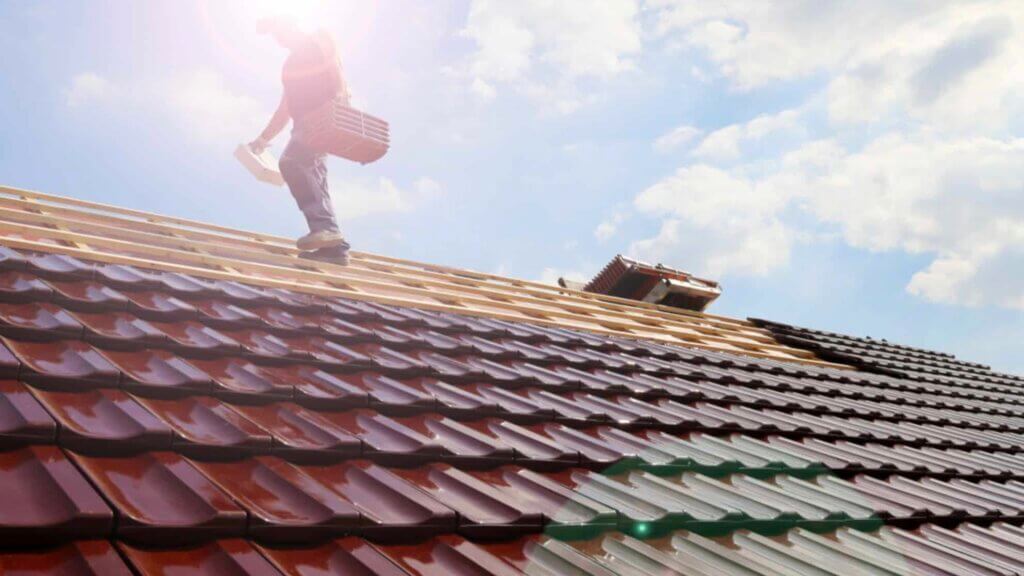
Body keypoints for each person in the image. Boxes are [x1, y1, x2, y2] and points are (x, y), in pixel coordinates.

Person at [250, 16, 352, 264]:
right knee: (316, 181)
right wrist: (263, 139)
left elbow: (334, 68)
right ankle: (334, 249)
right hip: (306, 125)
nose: (278, 39)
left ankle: (325, 229)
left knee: (292, 162)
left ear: (293, 23)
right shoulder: (290, 66)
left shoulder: (317, 40)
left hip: (321, 119)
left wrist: (339, 104)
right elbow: (285, 108)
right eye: (275, 35)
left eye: (279, 31)